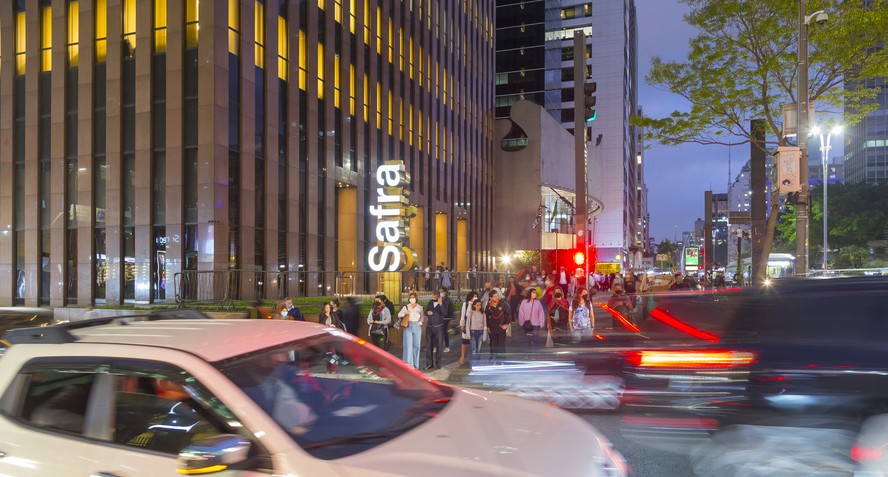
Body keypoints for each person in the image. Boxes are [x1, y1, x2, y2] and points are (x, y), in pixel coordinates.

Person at [397, 292, 424, 369]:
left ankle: (416, 365)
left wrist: (420, 322)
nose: (412, 299)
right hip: (408, 326)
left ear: (416, 298)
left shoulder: (420, 307)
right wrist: (405, 313)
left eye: (413, 297)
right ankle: (408, 365)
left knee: (417, 346)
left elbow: (422, 317)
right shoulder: (406, 307)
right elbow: (399, 314)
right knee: (408, 346)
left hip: (417, 326)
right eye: (410, 297)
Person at [484, 291, 510, 359]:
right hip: (493, 328)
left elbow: (508, 314)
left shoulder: (503, 304)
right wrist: (488, 327)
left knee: (501, 345)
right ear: (491, 298)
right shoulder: (488, 306)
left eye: (497, 296)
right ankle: (495, 360)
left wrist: (506, 324)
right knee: (494, 345)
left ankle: (502, 360)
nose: (497, 298)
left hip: (501, 327)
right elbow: (486, 317)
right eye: (495, 296)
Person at [425, 290, 446, 370]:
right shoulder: (430, 302)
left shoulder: (443, 303)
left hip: (439, 327)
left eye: (435, 296)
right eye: (433, 296)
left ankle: (438, 364)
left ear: (438, 296)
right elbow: (426, 311)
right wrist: (427, 312)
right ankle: (429, 363)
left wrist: (440, 304)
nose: (433, 297)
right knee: (429, 346)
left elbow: (444, 313)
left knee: (439, 346)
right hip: (429, 326)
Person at [458, 291, 479, 364]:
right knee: (464, 342)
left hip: (475, 326)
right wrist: (462, 324)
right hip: (467, 325)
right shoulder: (465, 304)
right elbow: (463, 315)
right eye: (474, 296)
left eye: (476, 296)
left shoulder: (477, 305)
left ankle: (474, 358)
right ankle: (462, 356)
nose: (475, 298)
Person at [463, 299, 487, 364]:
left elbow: (485, 325)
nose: (479, 306)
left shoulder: (483, 314)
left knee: (479, 349)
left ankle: (478, 362)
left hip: (480, 333)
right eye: (477, 305)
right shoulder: (471, 313)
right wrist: (468, 334)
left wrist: (484, 335)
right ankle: (473, 363)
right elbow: (467, 324)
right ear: (474, 305)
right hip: (473, 332)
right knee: (474, 349)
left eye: (480, 305)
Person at [439, 287, 454, 353]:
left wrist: (452, 319)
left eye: (442, 292)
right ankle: (437, 346)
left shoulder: (448, 300)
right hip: (440, 318)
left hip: (446, 318)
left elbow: (450, 310)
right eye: (440, 292)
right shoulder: (439, 299)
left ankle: (447, 347)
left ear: (445, 292)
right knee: (438, 333)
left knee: (445, 332)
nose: (441, 293)